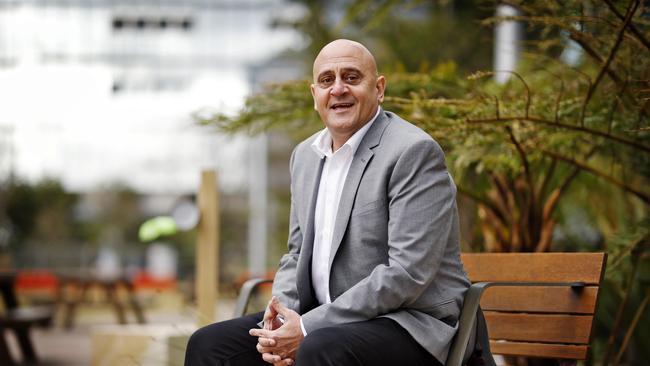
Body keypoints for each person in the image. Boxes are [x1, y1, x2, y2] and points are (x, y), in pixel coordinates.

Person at [184, 39, 471, 366]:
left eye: (351, 77)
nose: (338, 89)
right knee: (209, 345)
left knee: (319, 348)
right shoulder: (305, 156)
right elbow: (295, 253)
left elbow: (407, 273)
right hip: (322, 321)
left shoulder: (412, 152)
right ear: (314, 95)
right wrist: (281, 319)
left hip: (408, 323)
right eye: (326, 80)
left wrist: (307, 327)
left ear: (379, 89)